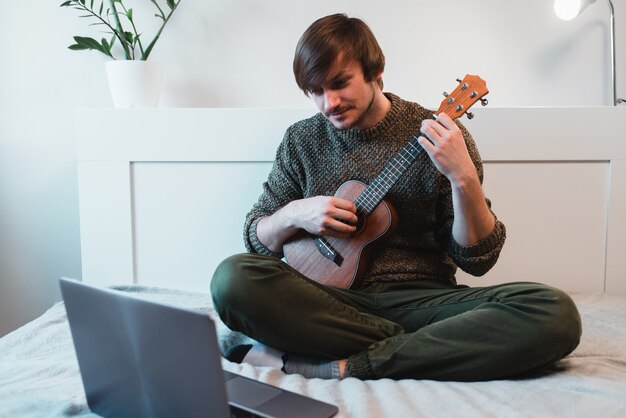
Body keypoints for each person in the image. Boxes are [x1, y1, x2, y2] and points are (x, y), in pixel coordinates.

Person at [210, 13, 581, 381]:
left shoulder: (442, 135)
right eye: (316, 91)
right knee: (232, 280)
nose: (329, 102)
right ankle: (425, 348)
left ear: (376, 72)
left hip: (423, 301)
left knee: (554, 311)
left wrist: (463, 177)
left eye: (340, 83)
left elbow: (477, 260)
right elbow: (256, 242)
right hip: (328, 305)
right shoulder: (301, 141)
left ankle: (349, 363)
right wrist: (293, 214)